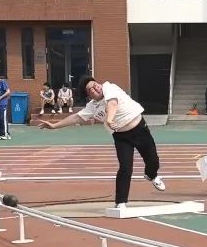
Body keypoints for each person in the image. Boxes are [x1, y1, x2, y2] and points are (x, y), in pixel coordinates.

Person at [37, 77, 166, 208]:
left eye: (95, 85)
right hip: (121, 137)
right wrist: (54, 126)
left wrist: (109, 119)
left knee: (152, 159)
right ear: (89, 95)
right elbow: (76, 117)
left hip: (139, 129)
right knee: (125, 167)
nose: (96, 88)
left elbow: (112, 103)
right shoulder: (92, 106)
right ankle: (121, 202)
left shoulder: (109, 87)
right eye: (91, 90)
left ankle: (152, 175)